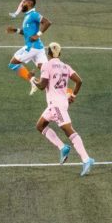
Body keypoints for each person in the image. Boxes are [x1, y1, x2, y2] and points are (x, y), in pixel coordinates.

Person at [32, 42, 95, 176]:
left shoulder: (47, 65)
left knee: (69, 131)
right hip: (58, 104)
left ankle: (86, 159)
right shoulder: (66, 66)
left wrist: (33, 80)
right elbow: (79, 81)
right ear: (59, 53)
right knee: (40, 126)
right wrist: (73, 95)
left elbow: (42, 86)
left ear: (48, 53)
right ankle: (63, 147)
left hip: (56, 105)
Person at [5, 0, 50, 91]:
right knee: (46, 71)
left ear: (30, 3)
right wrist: (16, 30)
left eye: (24, 2)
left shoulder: (33, 14)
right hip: (38, 48)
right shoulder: (27, 16)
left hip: (31, 47)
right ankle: (66, 91)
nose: (22, 4)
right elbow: (27, 33)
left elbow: (47, 22)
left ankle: (32, 80)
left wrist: (38, 35)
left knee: (13, 63)